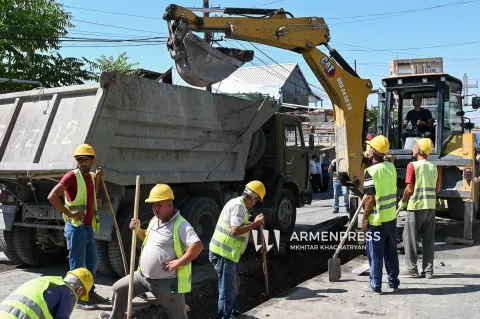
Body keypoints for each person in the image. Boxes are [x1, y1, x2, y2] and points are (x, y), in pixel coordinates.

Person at [99, 184, 203, 319]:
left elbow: (198, 246)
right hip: (142, 276)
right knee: (119, 289)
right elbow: (146, 237)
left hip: (165, 282)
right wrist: (138, 230)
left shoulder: (181, 225)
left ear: (169, 203)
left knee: (178, 316)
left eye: (159, 204)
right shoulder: (155, 220)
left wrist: (178, 262)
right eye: (153, 205)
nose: (155, 208)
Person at [47, 144, 108, 309]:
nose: (82, 162)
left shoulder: (93, 176)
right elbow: (52, 196)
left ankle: (90, 293)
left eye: (86, 159)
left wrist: (99, 180)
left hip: (87, 227)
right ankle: (77, 298)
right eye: (79, 159)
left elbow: (91, 197)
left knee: (92, 263)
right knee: (77, 266)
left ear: (92, 160)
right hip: (75, 228)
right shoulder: (71, 177)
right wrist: (70, 213)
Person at [209, 181, 266, 319]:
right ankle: (225, 317)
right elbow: (235, 231)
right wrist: (256, 224)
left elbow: (245, 230)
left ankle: (234, 314)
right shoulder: (237, 206)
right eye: (257, 201)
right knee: (228, 290)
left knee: (233, 287)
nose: (255, 203)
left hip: (229, 255)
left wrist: (259, 244)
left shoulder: (242, 208)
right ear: (253, 198)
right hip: (223, 253)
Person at [362, 135, 400, 294]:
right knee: (391, 253)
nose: (368, 150)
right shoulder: (391, 167)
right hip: (391, 218)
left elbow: (370, 198)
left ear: (373, 152)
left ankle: (376, 284)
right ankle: (393, 282)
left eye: (370, 148)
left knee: (375, 255)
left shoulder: (370, 172)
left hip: (376, 221)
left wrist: (364, 218)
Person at [398, 138, 440, 279]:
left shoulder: (412, 166)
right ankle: (428, 271)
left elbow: (409, 189)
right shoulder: (433, 167)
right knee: (428, 240)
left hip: (416, 206)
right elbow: (437, 188)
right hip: (430, 207)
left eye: (415, 146)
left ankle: (412, 270)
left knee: (409, 238)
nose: (413, 148)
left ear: (420, 150)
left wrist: (403, 201)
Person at [0, 267, 93, 319]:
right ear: (80, 290)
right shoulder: (69, 293)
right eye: (82, 295)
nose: (79, 298)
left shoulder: (47, 281)